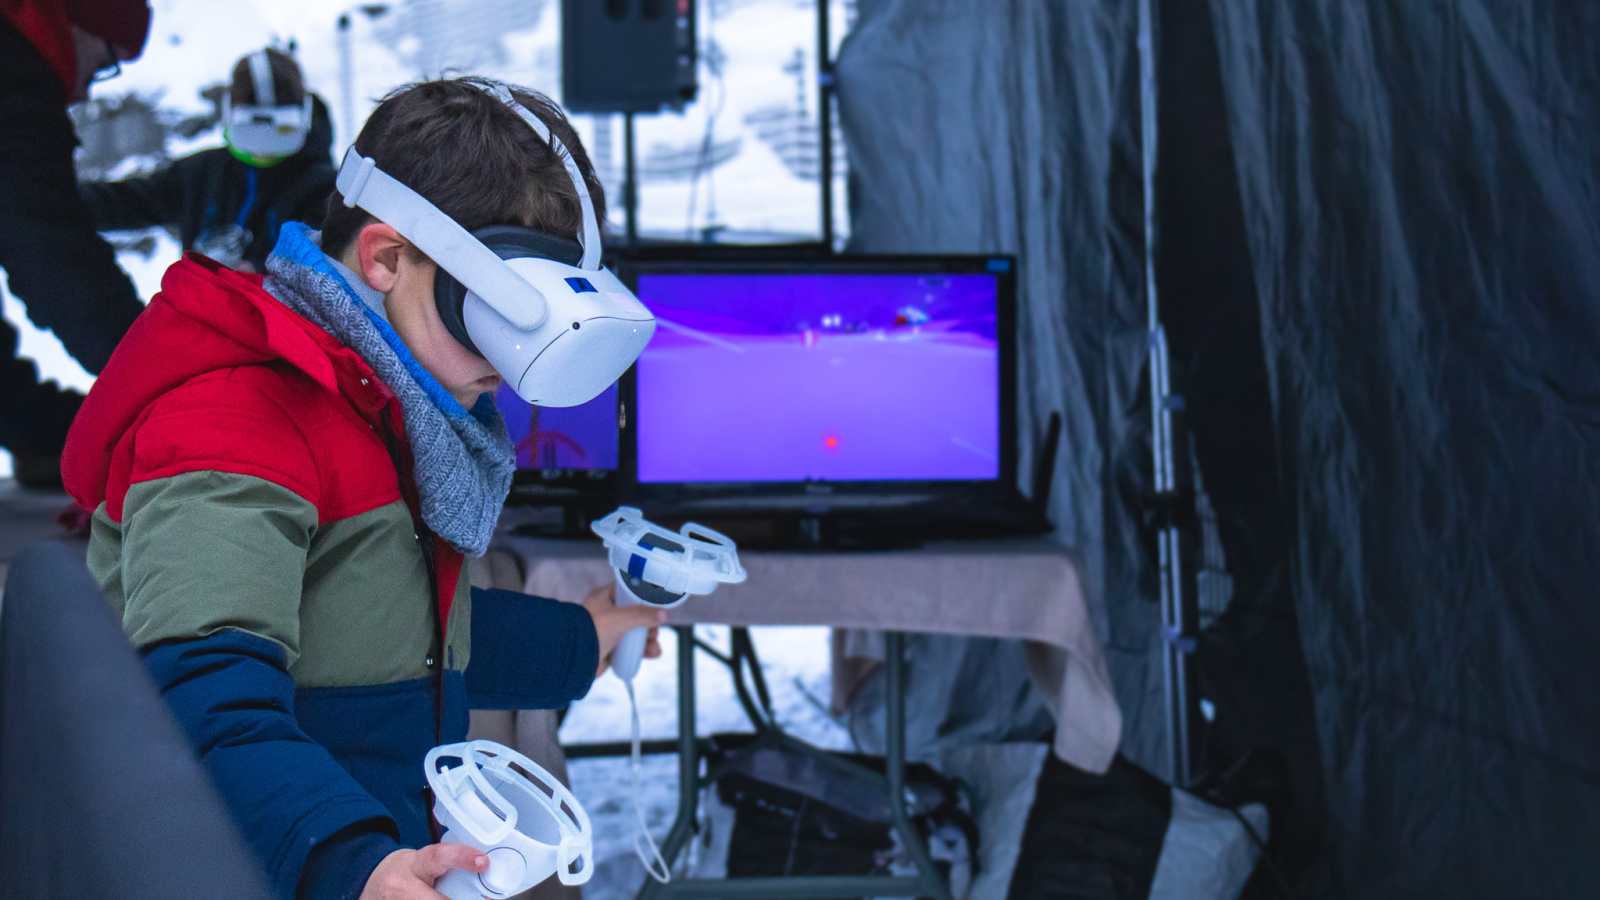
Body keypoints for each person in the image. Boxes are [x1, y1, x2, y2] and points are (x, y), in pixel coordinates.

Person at [61, 78, 663, 900]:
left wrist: (575, 641)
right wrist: (355, 864)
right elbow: (201, 703)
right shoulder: (234, 421)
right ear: (385, 257)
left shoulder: (383, 403)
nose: (519, 366)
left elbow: (375, 623)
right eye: (497, 311)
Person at [0, 0, 150, 487]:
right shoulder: (15, 78)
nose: (85, 90)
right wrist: (165, 374)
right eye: (106, 64)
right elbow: (51, 256)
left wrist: (42, 430)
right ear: (78, 26)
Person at [80, 47, 338, 274]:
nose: (263, 149)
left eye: (280, 132)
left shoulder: (327, 191)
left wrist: (257, 270)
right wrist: (55, 199)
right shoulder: (200, 175)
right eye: (251, 131)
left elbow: (323, 260)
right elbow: (124, 202)